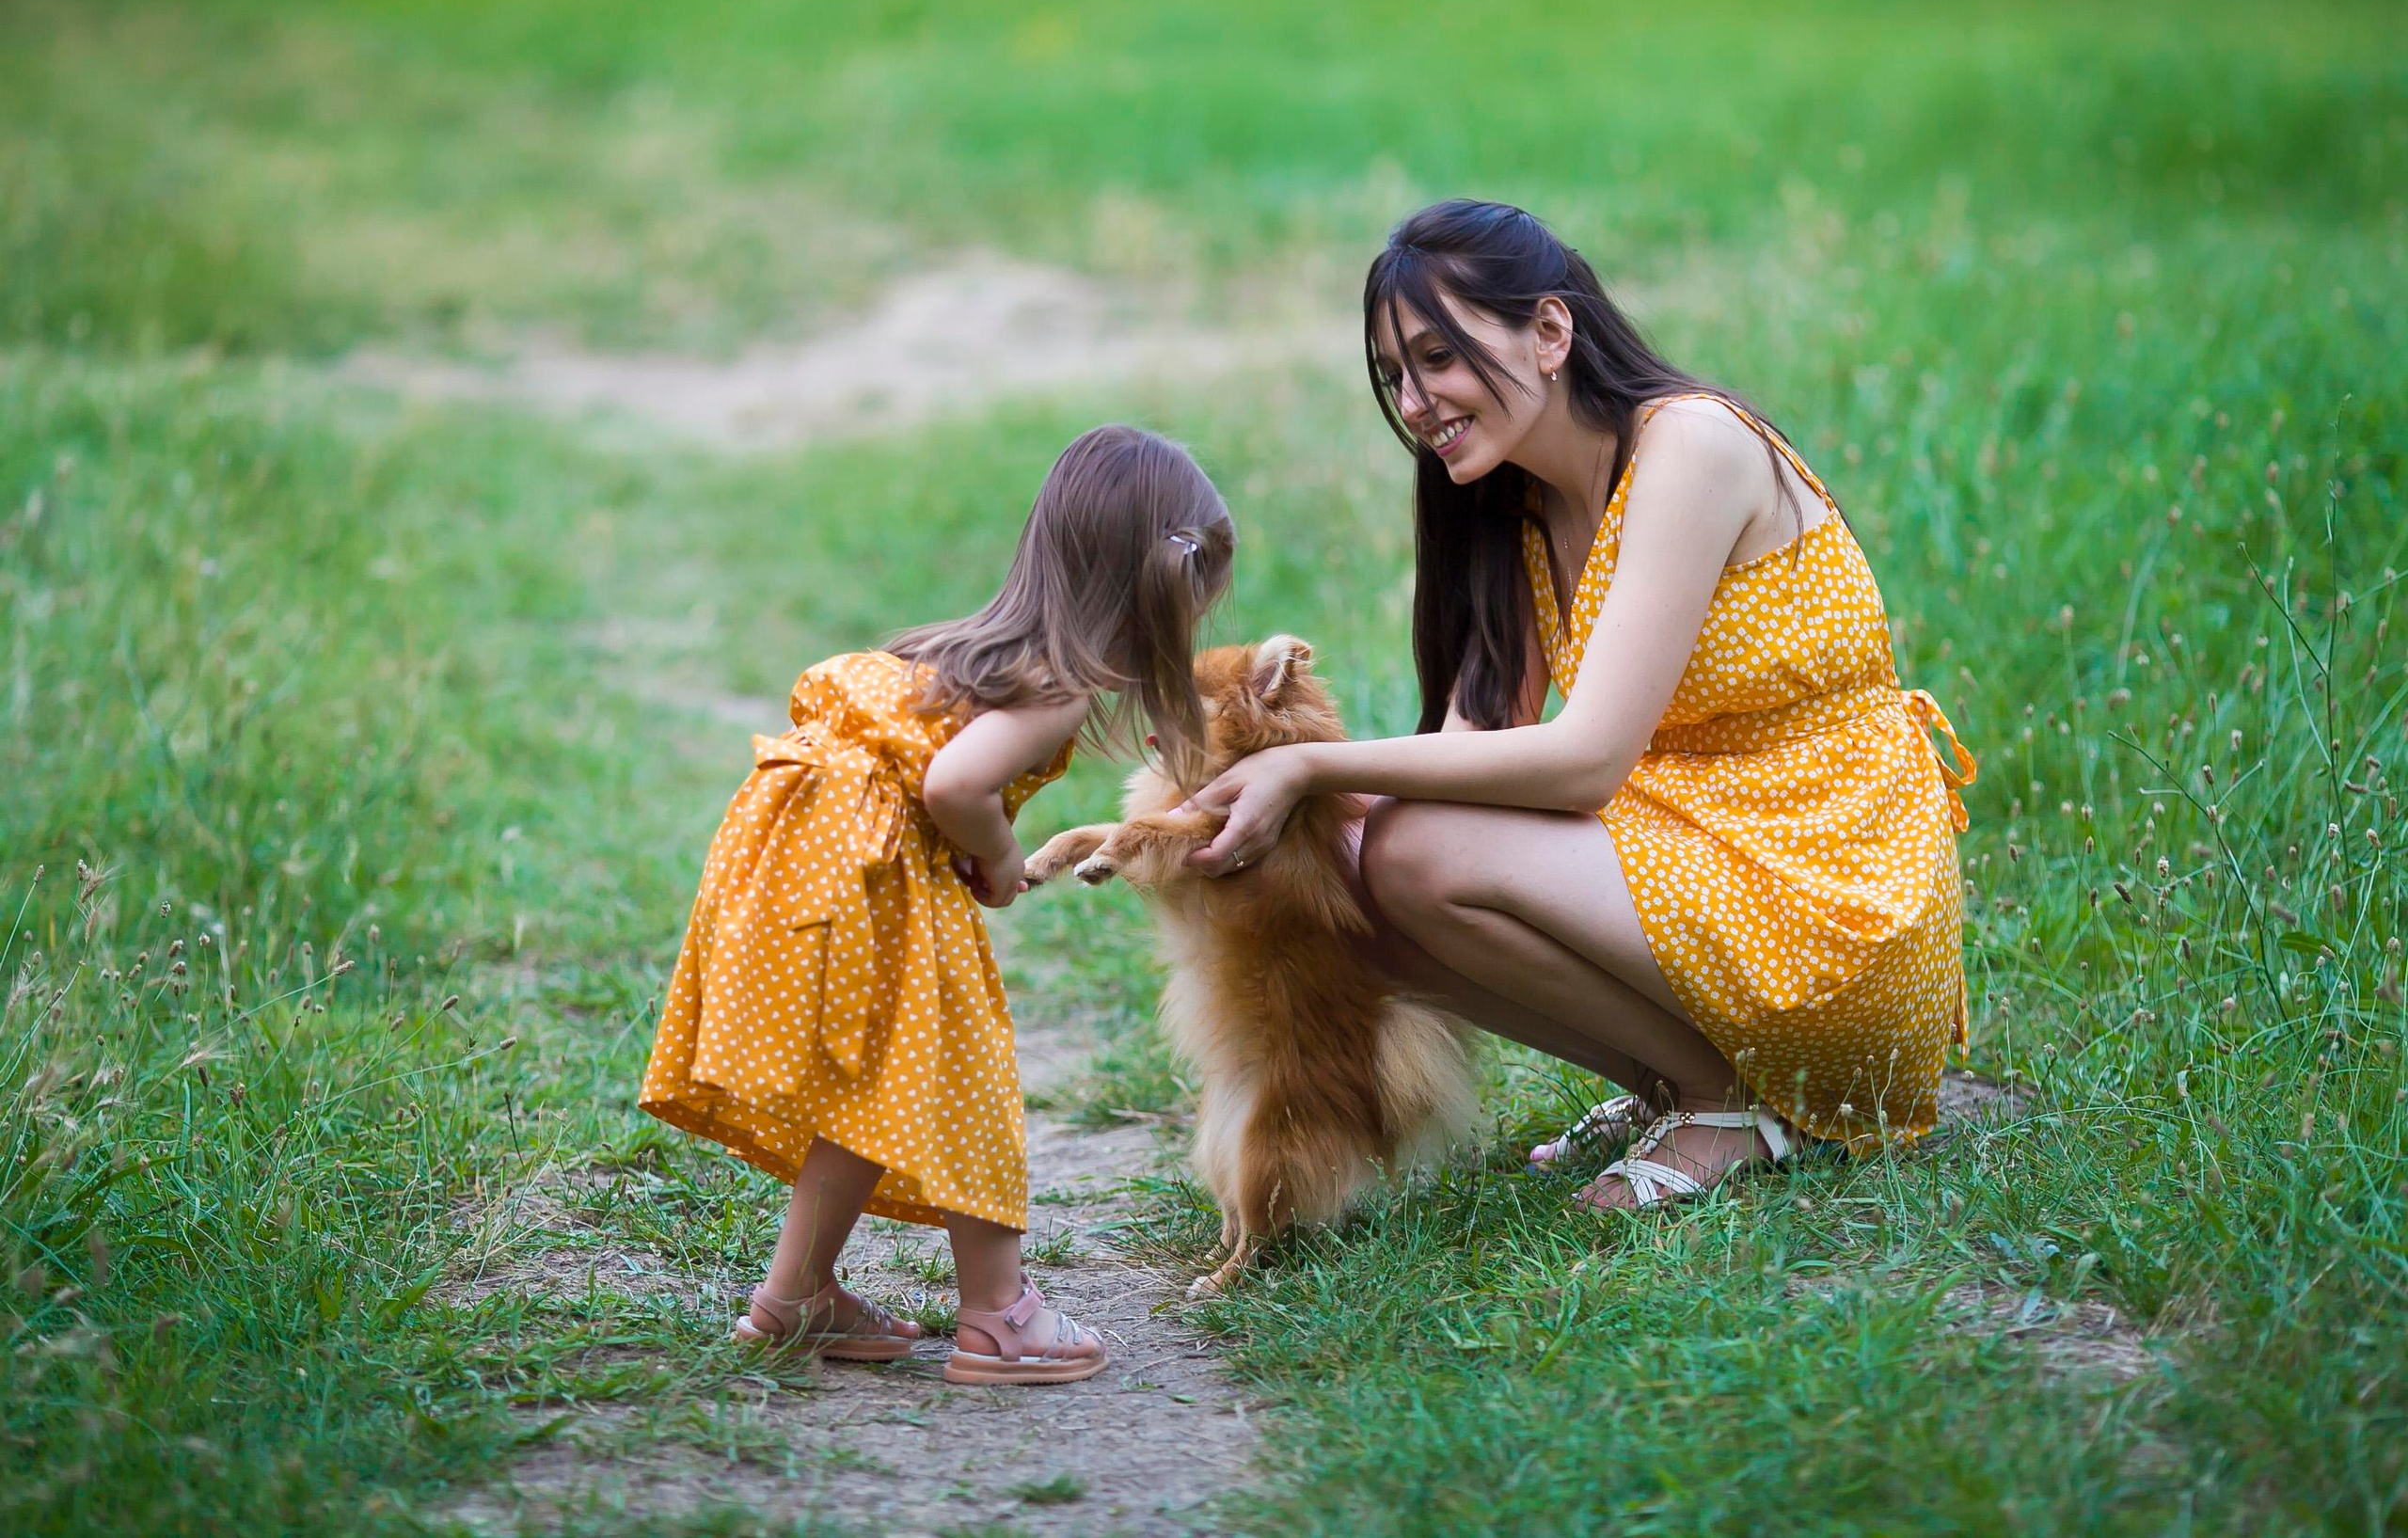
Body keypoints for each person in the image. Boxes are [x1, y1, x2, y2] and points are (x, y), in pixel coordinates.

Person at [1182, 199, 1975, 1212]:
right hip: (1712, 853)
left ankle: (1725, 1102)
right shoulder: (1513, 505)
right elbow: (1471, 751)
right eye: (1395, 375)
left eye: (1438, 357)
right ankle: (1685, 1083)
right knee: (1354, 857)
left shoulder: (1690, 446)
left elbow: (1586, 760)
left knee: (1412, 847)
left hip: (1834, 896)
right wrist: (1290, 816)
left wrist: (1309, 764)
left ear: (1551, 331)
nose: (1416, 401)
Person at [641, 424, 1235, 1379]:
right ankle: (999, 1315)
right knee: (966, 1076)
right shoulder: (1059, 685)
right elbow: (955, 783)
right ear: (1160, 589)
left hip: (808, 860)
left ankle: (795, 1297)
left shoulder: (966, 650)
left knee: (872, 1085)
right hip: (870, 879)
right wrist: (998, 855)